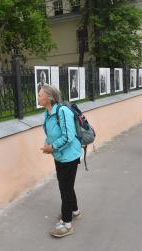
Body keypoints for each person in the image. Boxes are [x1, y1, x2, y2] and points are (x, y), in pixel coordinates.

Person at [39, 84, 82, 238]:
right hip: (60, 156)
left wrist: (52, 147)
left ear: (49, 97)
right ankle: (74, 210)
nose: (38, 97)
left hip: (69, 156)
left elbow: (68, 137)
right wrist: (47, 143)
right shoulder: (48, 112)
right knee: (66, 186)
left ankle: (67, 224)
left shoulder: (62, 111)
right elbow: (51, 133)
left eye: (40, 95)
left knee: (65, 189)